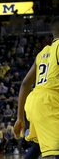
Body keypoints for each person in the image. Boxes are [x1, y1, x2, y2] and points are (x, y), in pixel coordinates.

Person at [14, 16, 59, 159]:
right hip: (50, 101)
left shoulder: (43, 52)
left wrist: (20, 117)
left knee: (38, 145)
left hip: (34, 101)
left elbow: (25, 84)